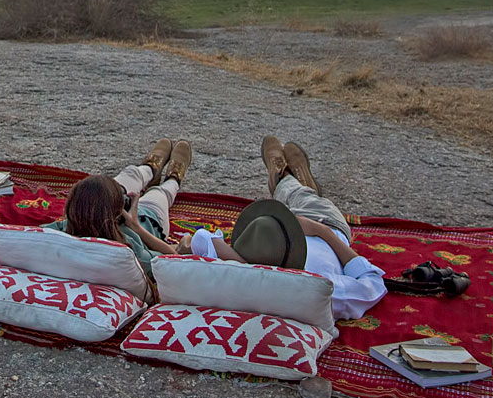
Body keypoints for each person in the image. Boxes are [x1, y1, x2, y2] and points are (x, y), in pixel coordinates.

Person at [188, 136, 388, 320]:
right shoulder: (321, 289)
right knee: (303, 196)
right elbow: (374, 283)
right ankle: (287, 177)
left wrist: (247, 264)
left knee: (294, 199)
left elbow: (201, 238)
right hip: (324, 223)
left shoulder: (245, 276)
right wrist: (322, 231)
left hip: (279, 231)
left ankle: (288, 180)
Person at [44, 139, 194, 273]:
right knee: (160, 193)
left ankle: (151, 168)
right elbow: (173, 260)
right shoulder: (130, 250)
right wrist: (136, 226)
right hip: (148, 220)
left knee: (125, 177)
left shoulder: (62, 228)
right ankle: (174, 178)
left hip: (106, 206)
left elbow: (34, 233)